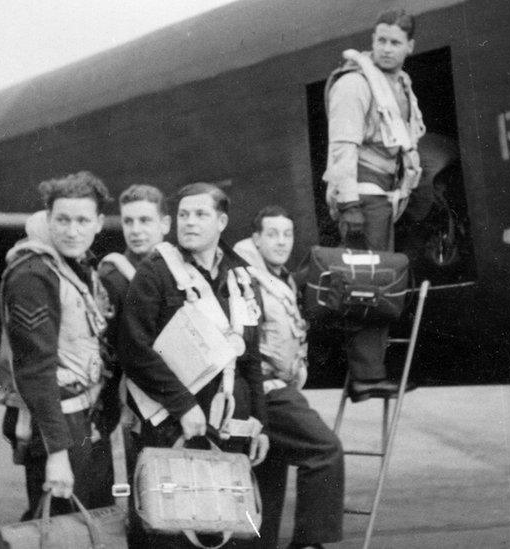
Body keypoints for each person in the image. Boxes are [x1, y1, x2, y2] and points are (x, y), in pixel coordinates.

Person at [118, 182, 269, 548]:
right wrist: (182, 405)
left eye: (200, 214)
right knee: (169, 527)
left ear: (221, 221)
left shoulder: (241, 277)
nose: (189, 222)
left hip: (229, 422)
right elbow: (133, 349)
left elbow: (249, 357)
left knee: (225, 523)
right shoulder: (156, 273)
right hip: (171, 422)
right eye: (184, 214)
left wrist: (261, 422)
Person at [0, 171, 115, 518]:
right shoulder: (33, 275)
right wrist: (57, 454)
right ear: (48, 220)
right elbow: (35, 371)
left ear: (99, 222)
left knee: (90, 523)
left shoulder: (75, 268)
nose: (72, 230)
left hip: (85, 417)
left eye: (82, 220)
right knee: (59, 527)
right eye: (62, 219)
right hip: (58, 424)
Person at [322, 8, 425, 401]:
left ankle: (372, 369)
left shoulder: (399, 84)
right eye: (380, 40)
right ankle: (367, 376)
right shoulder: (356, 84)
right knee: (369, 287)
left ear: (409, 47)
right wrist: (349, 206)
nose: (385, 48)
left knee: (377, 282)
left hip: (385, 195)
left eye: (394, 42)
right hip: (364, 197)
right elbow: (343, 147)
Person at [234, 206, 344, 549]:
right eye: (272, 234)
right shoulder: (246, 277)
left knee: (268, 478)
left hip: (275, 387)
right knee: (325, 450)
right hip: (267, 389)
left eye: (287, 234)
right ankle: (310, 543)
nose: (282, 242)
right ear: (256, 238)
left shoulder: (276, 276)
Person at [95, 184, 171, 544]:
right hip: (134, 405)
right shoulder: (114, 277)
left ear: (164, 224)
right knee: (142, 495)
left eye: (145, 220)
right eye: (129, 221)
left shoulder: (174, 267)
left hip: (172, 399)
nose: (136, 229)